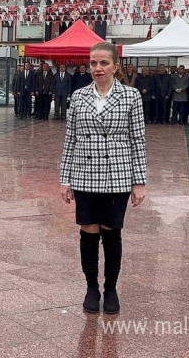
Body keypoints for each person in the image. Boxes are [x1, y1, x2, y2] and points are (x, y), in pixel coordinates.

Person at [60, 42, 147, 315]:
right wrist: (65, 178)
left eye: (103, 63)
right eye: (93, 63)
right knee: (88, 233)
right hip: (84, 174)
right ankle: (91, 287)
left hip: (117, 175)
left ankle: (110, 288)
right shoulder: (78, 96)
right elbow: (70, 139)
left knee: (111, 233)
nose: (98, 68)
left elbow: (138, 140)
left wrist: (139, 181)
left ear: (115, 66)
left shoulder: (131, 97)